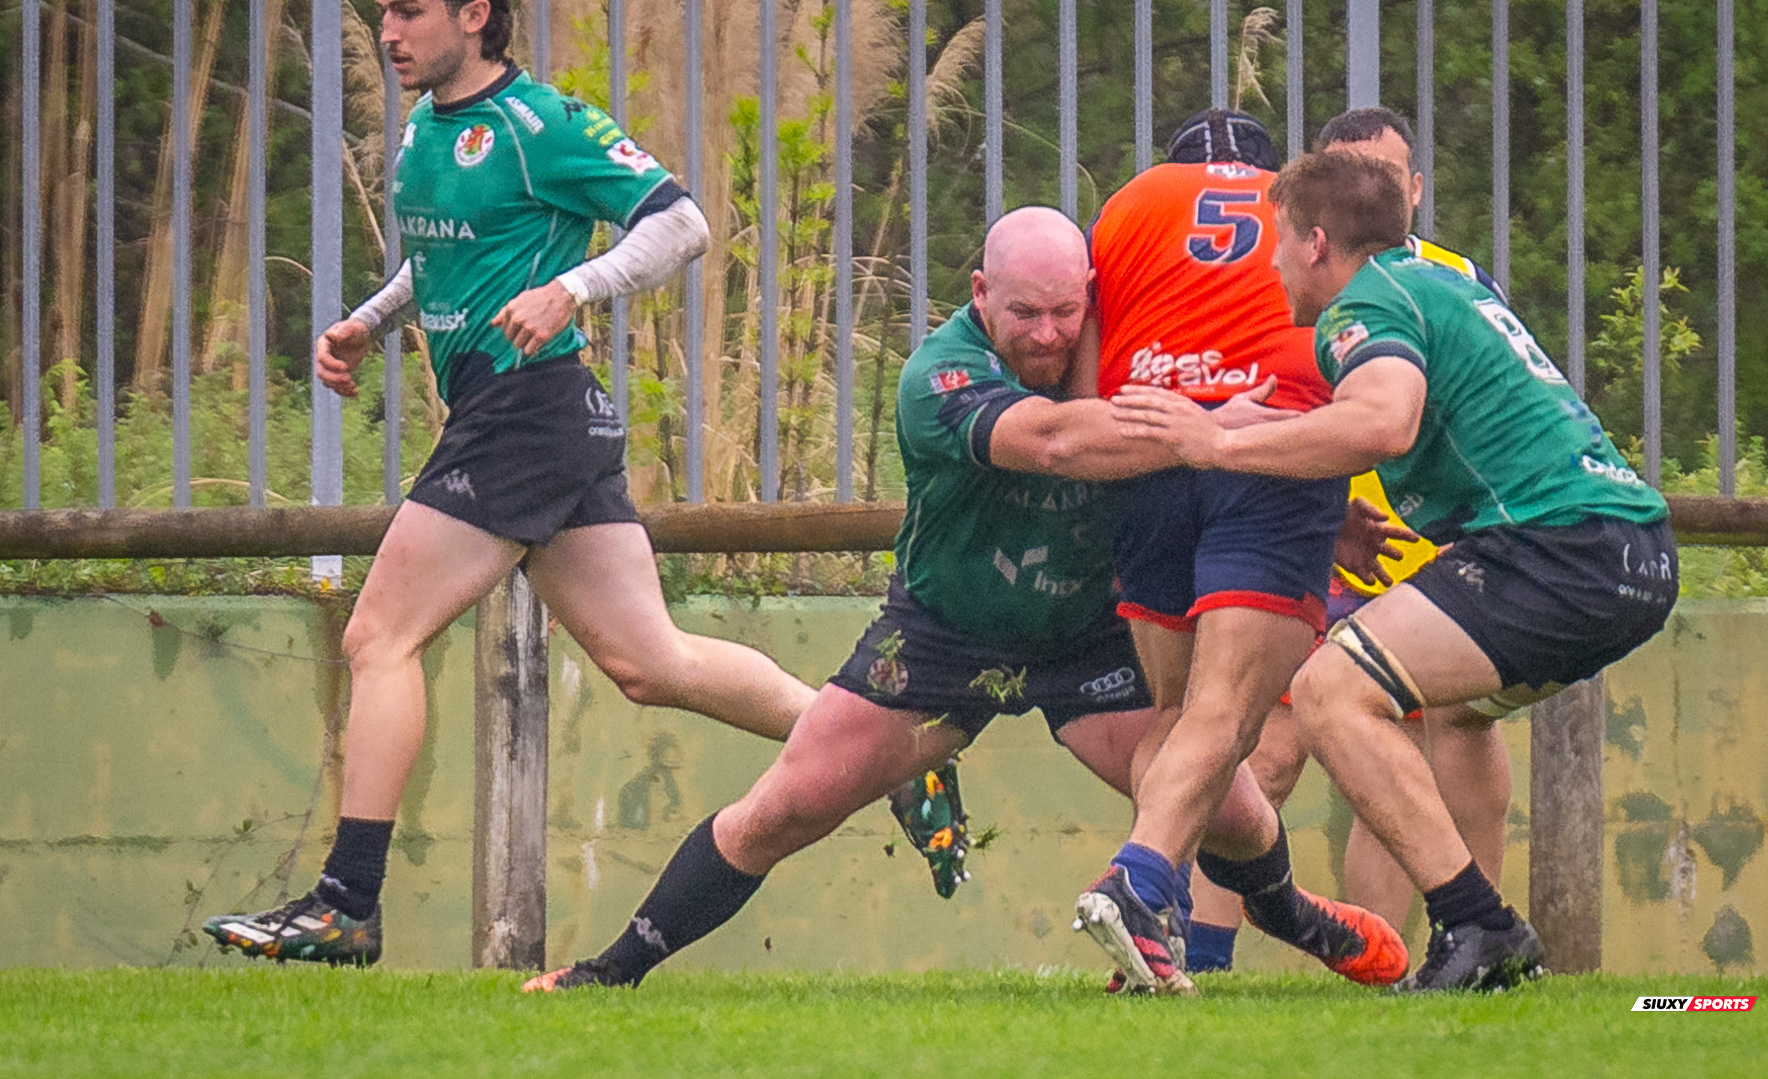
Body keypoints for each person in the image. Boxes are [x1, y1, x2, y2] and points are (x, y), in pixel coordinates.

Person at [522, 207, 1368, 994]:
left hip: (1090, 638)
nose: (1046, 334)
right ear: (980, 294)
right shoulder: (939, 373)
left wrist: (1296, 498)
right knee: (782, 808)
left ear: (1092, 297)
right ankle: (607, 973)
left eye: (1065, 312)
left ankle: (1285, 911)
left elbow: (1197, 468)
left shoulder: (1125, 351)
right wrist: (1219, 428)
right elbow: (1056, 441)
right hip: (945, 635)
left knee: (1229, 804)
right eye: (1024, 313)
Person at [203, 0, 815, 967]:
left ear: (474, 16)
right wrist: (372, 317)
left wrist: (572, 288)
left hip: (522, 409)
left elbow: (682, 222)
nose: (389, 33)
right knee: (647, 659)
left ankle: (348, 904)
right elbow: (448, 257)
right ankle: (874, 747)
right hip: (533, 418)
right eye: (382, 12)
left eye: (409, 13)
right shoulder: (424, 130)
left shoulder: (543, 123)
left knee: (376, 637)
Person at [1112, 150, 1676, 991]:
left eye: (1274, 243)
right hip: (1626, 557)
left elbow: (1381, 421)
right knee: (1415, 708)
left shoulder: (1362, 303)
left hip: (1560, 549)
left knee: (1336, 689)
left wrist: (1218, 443)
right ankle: (1480, 929)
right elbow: (1359, 414)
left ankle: (1480, 925)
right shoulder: (1430, 283)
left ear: (1314, 242)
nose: (1267, 264)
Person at [1070, 110, 1407, 993]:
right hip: (1276, 459)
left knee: (1178, 716)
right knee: (1229, 721)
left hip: (1147, 450)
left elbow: (1084, 363)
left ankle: (1160, 928)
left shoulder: (1130, 203)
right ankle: (1139, 886)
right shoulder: (1299, 212)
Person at [1183, 107, 1517, 963]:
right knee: (1271, 741)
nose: (1371, 182)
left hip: (1433, 546)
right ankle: (1203, 951)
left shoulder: (1450, 278)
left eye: (1388, 171)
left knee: (1453, 728)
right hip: (1316, 533)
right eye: (1351, 167)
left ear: (1411, 191)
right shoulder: (1296, 275)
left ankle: (1451, 944)